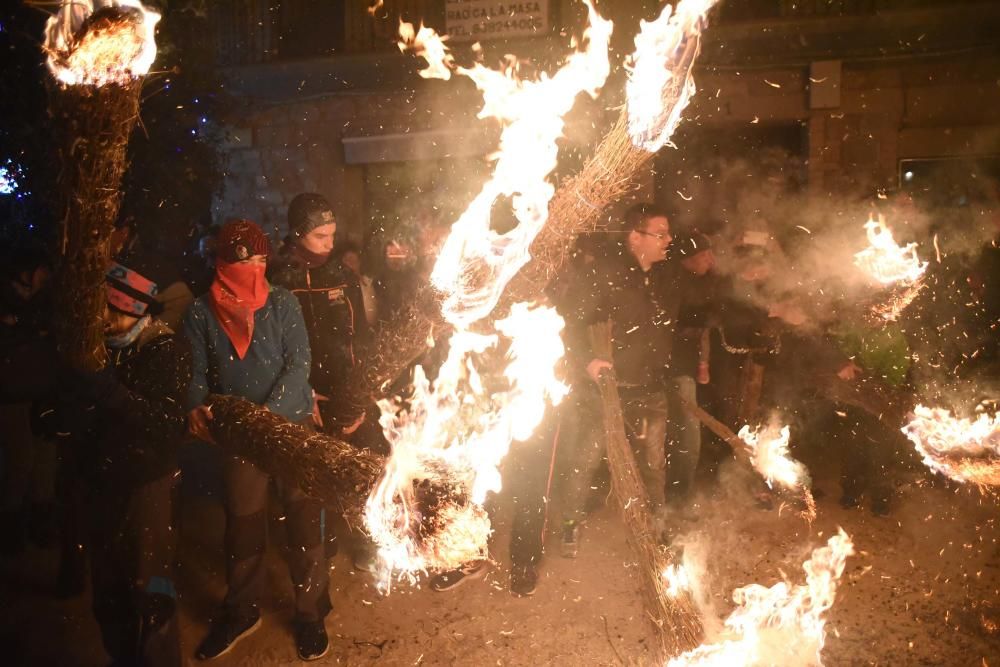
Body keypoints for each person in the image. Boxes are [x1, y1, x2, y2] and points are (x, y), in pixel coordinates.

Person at [184, 219, 331, 662]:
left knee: (305, 520)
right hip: (239, 438)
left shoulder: (282, 304)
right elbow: (193, 372)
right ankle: (241, 608)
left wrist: (270, 416)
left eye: (263, 260)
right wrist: (194, 403)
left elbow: (299, 363)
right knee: (243, 526)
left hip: (290, 429)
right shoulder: (200, 313)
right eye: (246, 260)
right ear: (225, 262)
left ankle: (310, 611)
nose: (256, 269)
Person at [71, 262, 190, 666]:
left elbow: (164, 422)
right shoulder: (97, 349)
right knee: (107, 588)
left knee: (150, 588)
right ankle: (122, 657)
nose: (107, 320)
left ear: (140, 313)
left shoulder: (164, 350)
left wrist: (109, 392)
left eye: (117, 312)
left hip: (145, 485)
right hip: (100, 480)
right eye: (104, 309)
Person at [559, 203, 677, 553]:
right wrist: (587, 361)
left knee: (654, 463)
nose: (668, 240)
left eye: (668, 233)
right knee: (587, 459)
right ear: (635, 237)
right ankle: (570, 522)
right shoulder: (604, 274)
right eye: (660, 233)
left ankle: (655, 525)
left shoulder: (665, 276)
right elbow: (569, 322)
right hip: (606, 390)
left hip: (651, 387)